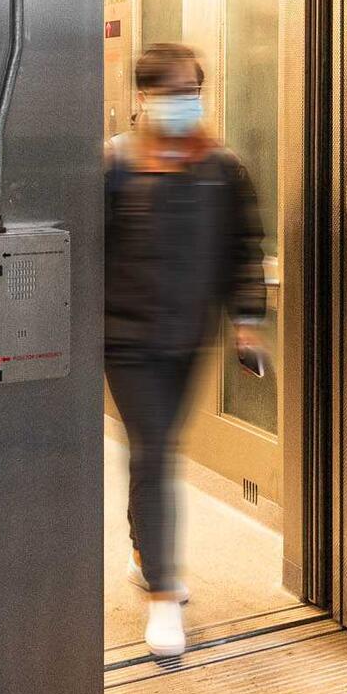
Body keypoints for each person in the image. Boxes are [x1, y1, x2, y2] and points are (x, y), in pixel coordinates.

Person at [105, 42, 265, 658]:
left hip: (187, 339)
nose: (183, 103)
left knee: (154, 454)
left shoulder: (221, 169)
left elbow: (241, 250)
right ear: (144, 98)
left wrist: (246, 322)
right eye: (170, 92)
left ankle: (146, 553)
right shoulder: (115, 167)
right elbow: (91, 256)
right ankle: (164, 597)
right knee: (156, 454)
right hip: (125, 341)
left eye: (190, 91)